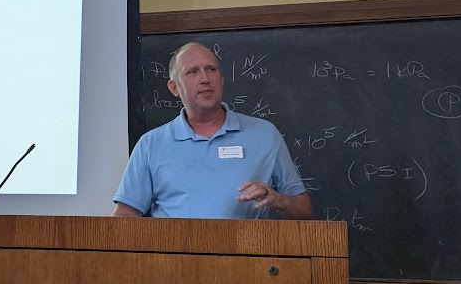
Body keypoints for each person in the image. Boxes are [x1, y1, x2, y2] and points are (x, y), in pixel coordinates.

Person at [112, 41, 312, 220]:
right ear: (174, 88)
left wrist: (277, 200)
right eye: (193, 72)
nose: (205, 78)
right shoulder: (151, 144)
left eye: (211, 69)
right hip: (173, 259)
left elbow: (304, 210)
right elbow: (126, 215)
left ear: (222, 79)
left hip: (247, 257)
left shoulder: (264, 134)